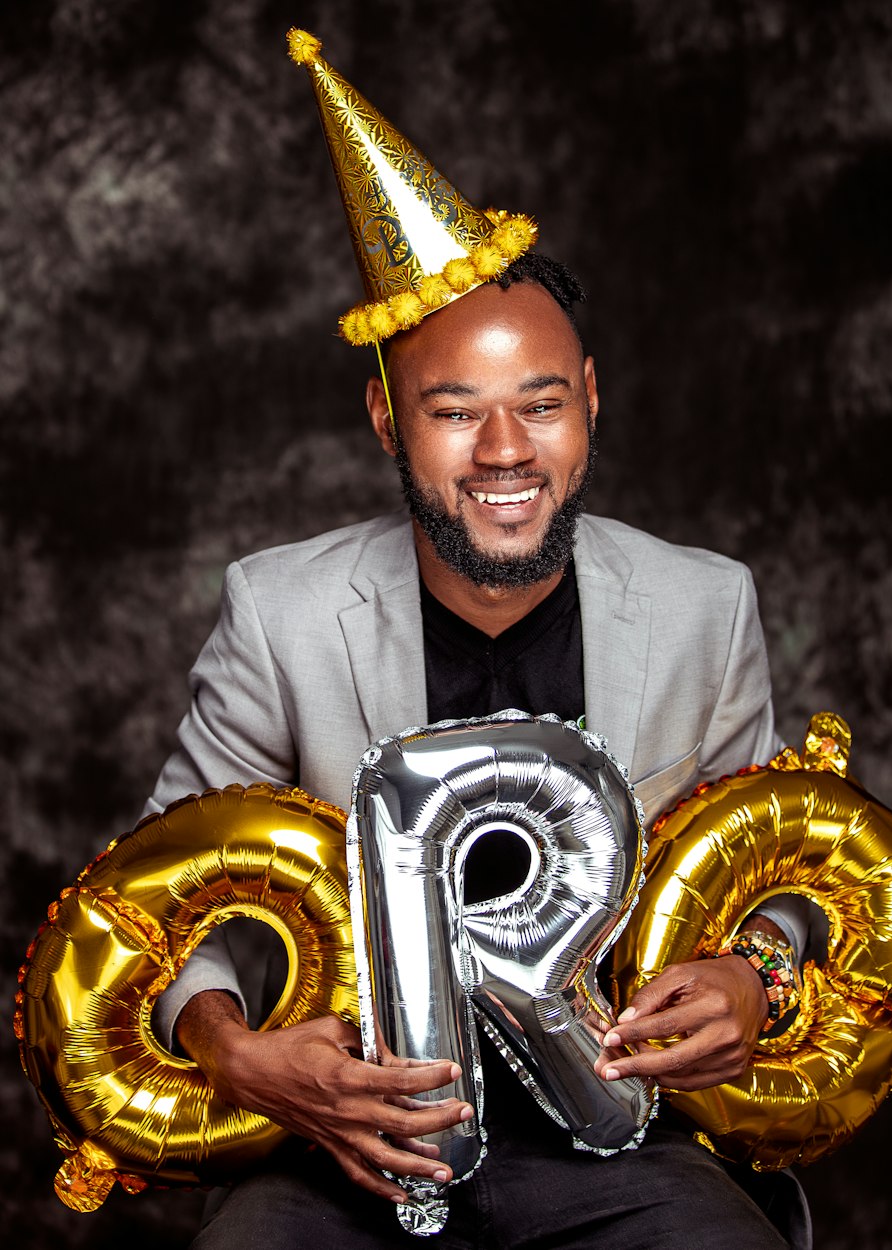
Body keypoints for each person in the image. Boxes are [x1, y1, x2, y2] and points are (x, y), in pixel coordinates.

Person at [146, 29, 813, 1249]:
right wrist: (239, 1055)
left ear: (590, 401)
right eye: (454, 411)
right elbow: (167, 908)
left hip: (618, 1141)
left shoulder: (703, 607)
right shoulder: (279, 612)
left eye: (541, 404)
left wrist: (748, 979)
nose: (504, 451)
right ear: (384, 418)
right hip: (348, 1146)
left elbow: (767, 877)